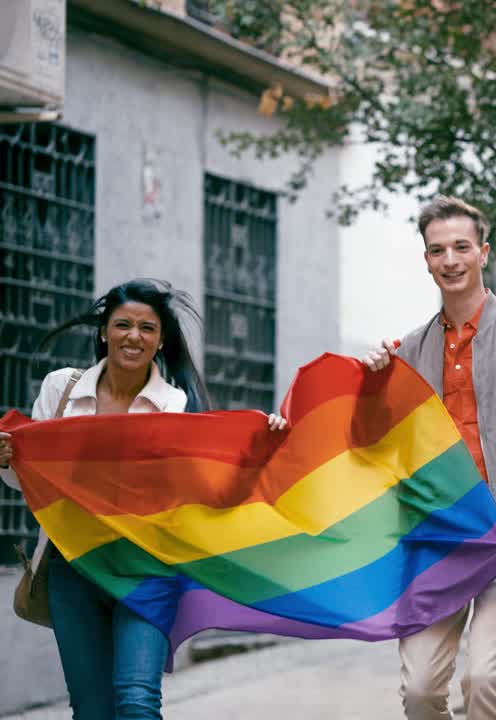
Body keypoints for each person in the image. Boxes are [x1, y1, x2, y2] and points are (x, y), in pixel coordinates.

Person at [0, 278, 286, 720]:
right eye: (123, 325)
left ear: (160, 340)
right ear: (103, 332)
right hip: (72, 569)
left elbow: (204, 488)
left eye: (147, 328)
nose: (134, 336)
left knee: (136, 703)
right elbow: (31, 483)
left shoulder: (175, 406)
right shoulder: (61, 390)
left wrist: (260, 444)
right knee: (92, 711)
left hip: (146, 570)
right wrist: (8, 460)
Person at [361, 196, 496, 720]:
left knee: (483, 680)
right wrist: (368, 384)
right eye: (438, 251)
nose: (450, 260)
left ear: (483, 251)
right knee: (423, 692)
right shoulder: (408, 350)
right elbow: (376, 442)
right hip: (435, 537)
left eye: (461, 247)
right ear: (426, 261)